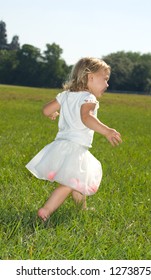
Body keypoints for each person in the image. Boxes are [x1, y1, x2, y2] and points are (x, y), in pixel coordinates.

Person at [26, 57, 122, 221]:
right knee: (69, 184)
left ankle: (81, 209)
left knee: (78, 179)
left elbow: (46, 110)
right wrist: (106, 131)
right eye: (104, 79)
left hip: (61, 145)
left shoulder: (66, 95)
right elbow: (86, 117)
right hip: (75, 148)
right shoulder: (89, 98)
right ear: (90, 77)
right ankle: (46, 210)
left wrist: (53, 113)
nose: (107, 84)